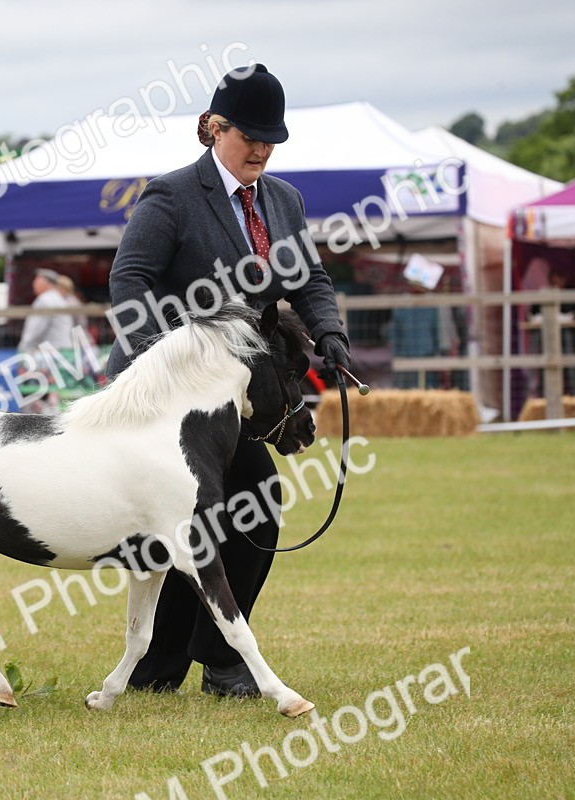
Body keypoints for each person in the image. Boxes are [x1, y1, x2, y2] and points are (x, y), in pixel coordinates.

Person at [106, 63, 350, 698]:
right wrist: (159, 364)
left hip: (237, 394)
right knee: (194, 520)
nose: (261, 151)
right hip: (168, 396)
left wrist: (329, 333)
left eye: (272, 141)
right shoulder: (170, 196)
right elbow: (129, 280)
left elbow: (309, 280)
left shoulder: (284, 200)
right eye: (250, 138)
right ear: (215, 128)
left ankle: (216, 658)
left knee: (252, 505)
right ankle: (162, 667)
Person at [17, 268, 74, 351]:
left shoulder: (44, 300)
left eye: (37, 281)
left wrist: (23, 348)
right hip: (65, 349)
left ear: (46, 283)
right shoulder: (58, 298)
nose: (34, 284)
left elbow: (35, 329)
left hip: (53, 351)